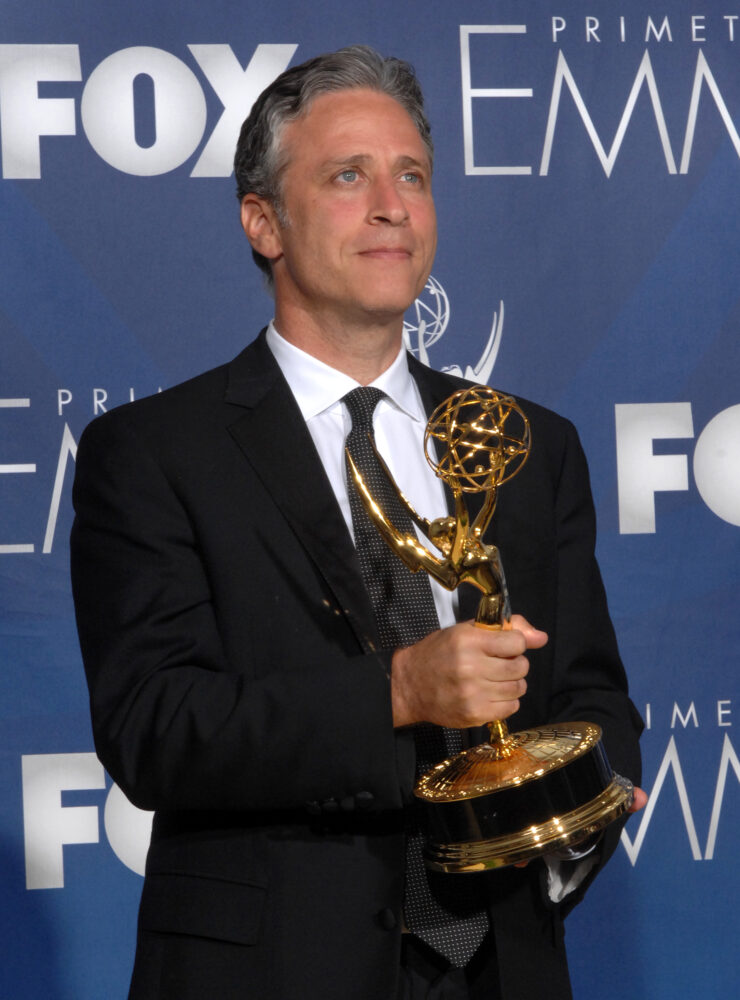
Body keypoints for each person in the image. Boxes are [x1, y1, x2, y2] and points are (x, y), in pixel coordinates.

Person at [70, 45, 644, 1000]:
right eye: (348, 176)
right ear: (264, 222)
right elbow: (155, 727)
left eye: (412, 175)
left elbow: (593, 695)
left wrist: (568, 817)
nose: (393, 204)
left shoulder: (529, 444)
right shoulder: (155, 452)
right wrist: (397, 691)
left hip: (501, 967)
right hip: (271, 972)